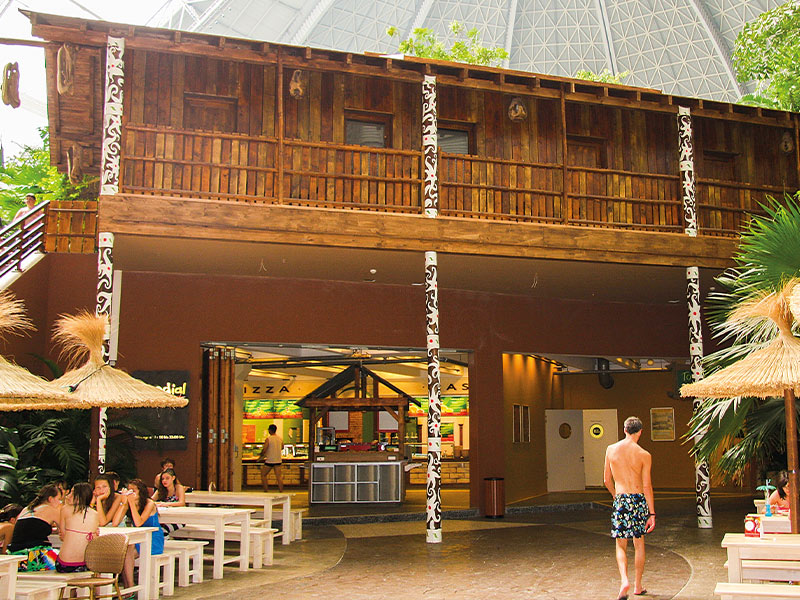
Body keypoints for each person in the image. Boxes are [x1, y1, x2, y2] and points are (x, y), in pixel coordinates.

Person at [603, 416, 656, 600]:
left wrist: (615, 496)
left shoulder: (611, 450)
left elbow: (606, 480)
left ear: (624, 430)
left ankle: (624, 580)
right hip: (638, 499)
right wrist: (652, 513)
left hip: (621, 499)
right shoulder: (644, 454)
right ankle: (638, 585)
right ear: (640, 432)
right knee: (639, 543)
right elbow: (647, 485)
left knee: (620, 544)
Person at [116, 478, 164, 590]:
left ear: (140, 492)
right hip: (138, 538)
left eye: (133, 490)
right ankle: (128, 587)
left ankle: (130, 588)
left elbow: (138, 523)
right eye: (128, 490)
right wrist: (123, 503)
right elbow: (115, 522)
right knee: (124, 552)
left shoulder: (149, 503)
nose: (130, 493)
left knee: (126, 555)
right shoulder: (129, 504)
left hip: (152, 538)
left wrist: (131, 503)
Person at [7, 484, 63, 571]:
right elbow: (65, 533)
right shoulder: (52, 510)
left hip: (16, 554)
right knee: (64, 562)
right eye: (59, 499)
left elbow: (30, 529)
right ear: (50, 499)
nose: (60, 503)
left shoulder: (26, 509)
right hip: (33, 556)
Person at [56, 482, 99, 572]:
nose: (68, 496)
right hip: (86, 564)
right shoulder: (95, 514)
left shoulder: (65, 509)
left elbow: (63, 536)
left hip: (64, 563)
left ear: (80, 497)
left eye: (72, 493)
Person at [259, 424, 284, 492]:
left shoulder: (268, 439)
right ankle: (281, 490)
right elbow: (282, 447)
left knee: (263, 475)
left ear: (270, 430)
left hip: (269, 461)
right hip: (278, 460)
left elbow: (264, 449)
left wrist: (261, 455)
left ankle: (266, 490)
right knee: (279, 476)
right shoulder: (280, 438)